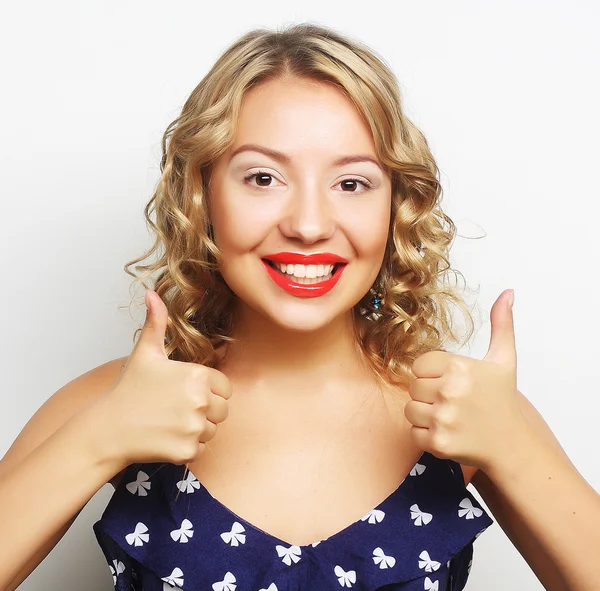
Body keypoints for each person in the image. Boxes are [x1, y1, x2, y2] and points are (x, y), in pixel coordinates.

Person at [1, 22, 599, 591]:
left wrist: (513, 449)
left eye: (352, 183)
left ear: (396, 207)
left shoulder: (465, 405)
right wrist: (97, 441)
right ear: (201, 195)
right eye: (262, 178)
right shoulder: (111, 401)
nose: (309, 225)